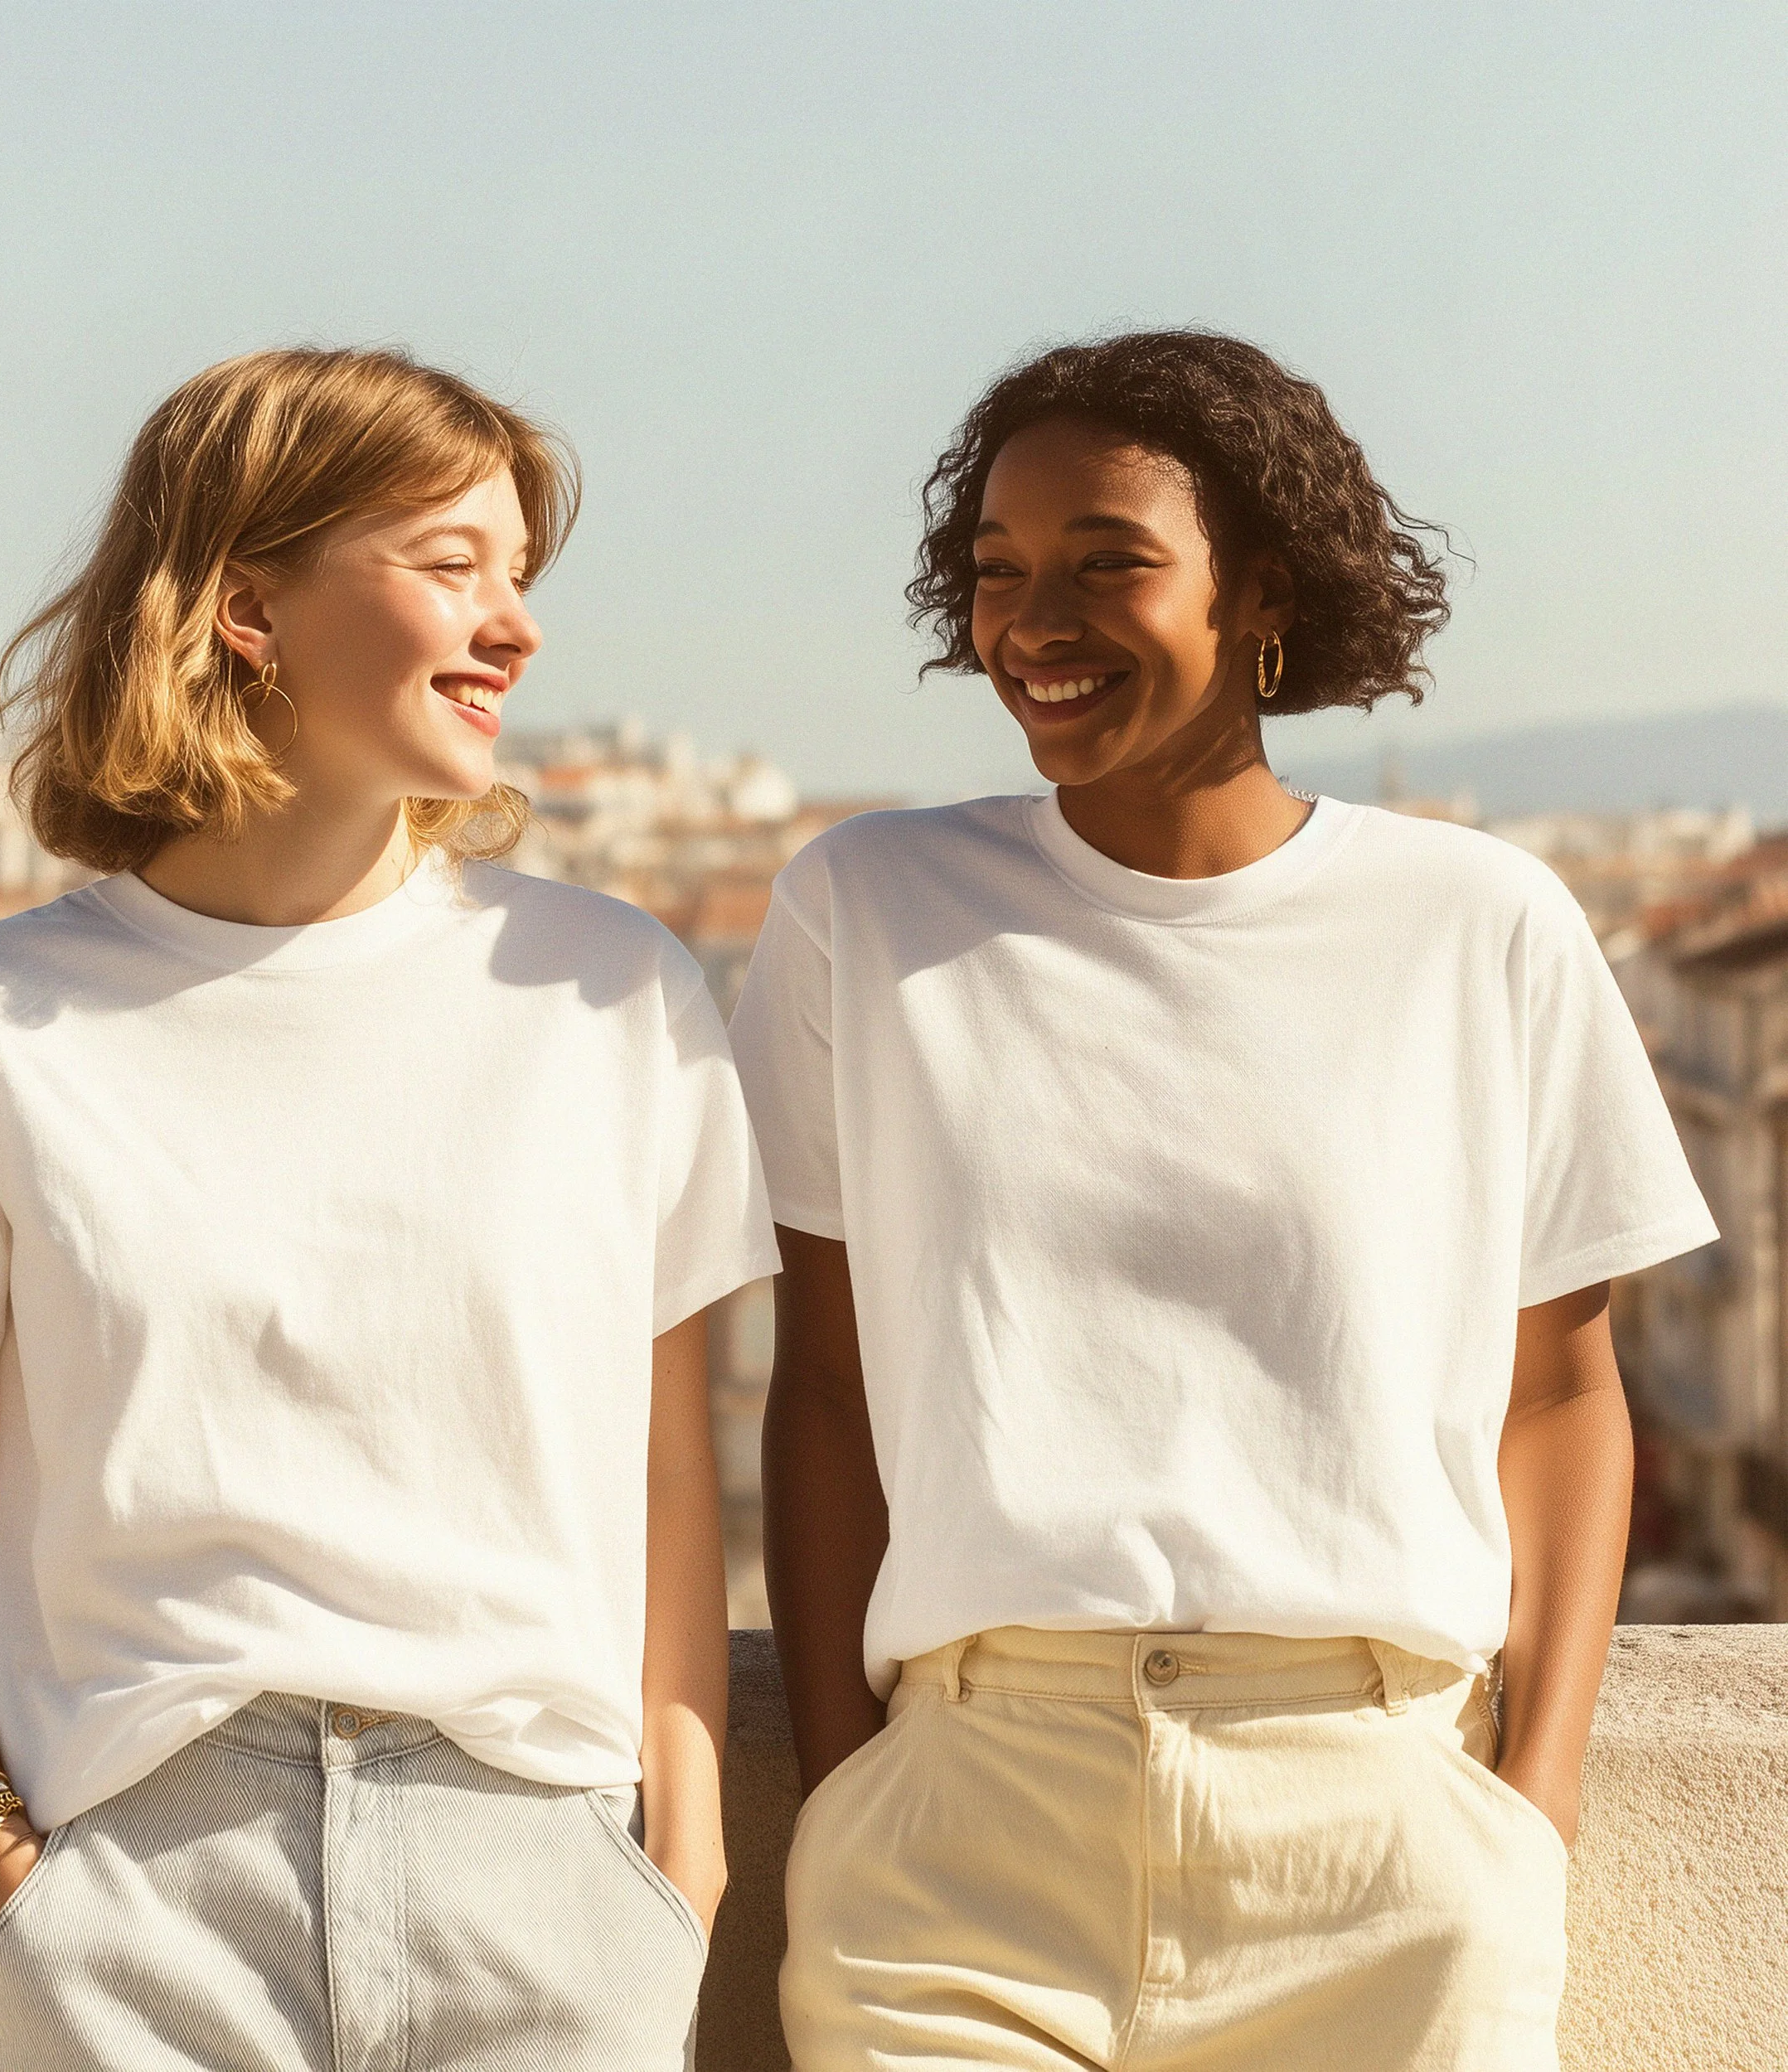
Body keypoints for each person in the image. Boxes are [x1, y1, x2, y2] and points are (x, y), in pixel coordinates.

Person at [0, 346, 777, 2071]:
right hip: (139, 1906)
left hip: (546, 1890)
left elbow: (670, 1467)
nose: (515, 623)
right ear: (247, 602)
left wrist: (671, 1876)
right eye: (449, 562)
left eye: (519, 574)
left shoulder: (607, 991)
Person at [729, 330, 1715, 2071]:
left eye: (1105, 560)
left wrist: (1523, 1814)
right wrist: (844, 1784)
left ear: (1262, 586)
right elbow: (824, 1386)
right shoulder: (860, 906)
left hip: (1378, 1845)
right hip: (959, 1850)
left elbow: (1559, 1396)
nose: (1033, 620)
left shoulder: (1476, 921)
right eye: (996, 572)